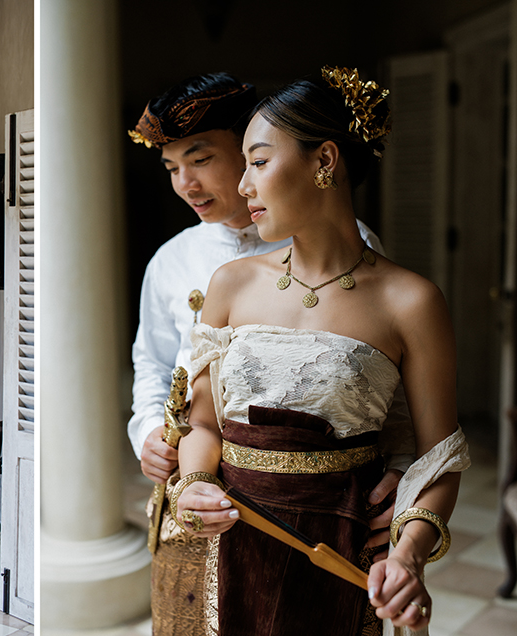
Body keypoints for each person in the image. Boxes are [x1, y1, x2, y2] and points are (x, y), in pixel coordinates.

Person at [173, 67, 470, 636]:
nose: (242, 186)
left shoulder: (412, 302)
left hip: (342, 552)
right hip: (232, 546)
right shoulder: (229, 285)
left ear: (324, 161)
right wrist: (195, 485)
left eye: (258, 162)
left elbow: (439, 460)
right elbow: (203, 424)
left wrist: (407, 556)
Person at [127, 72, 412, 635]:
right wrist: (146, 433)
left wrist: (402, 468)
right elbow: (153, 365)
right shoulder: (170, 259)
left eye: (201, 159)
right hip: (201, 496)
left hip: (321, 508)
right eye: (171, 169)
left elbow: (384, 383)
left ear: (248, 146)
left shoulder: (353, 247)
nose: (186, 183)